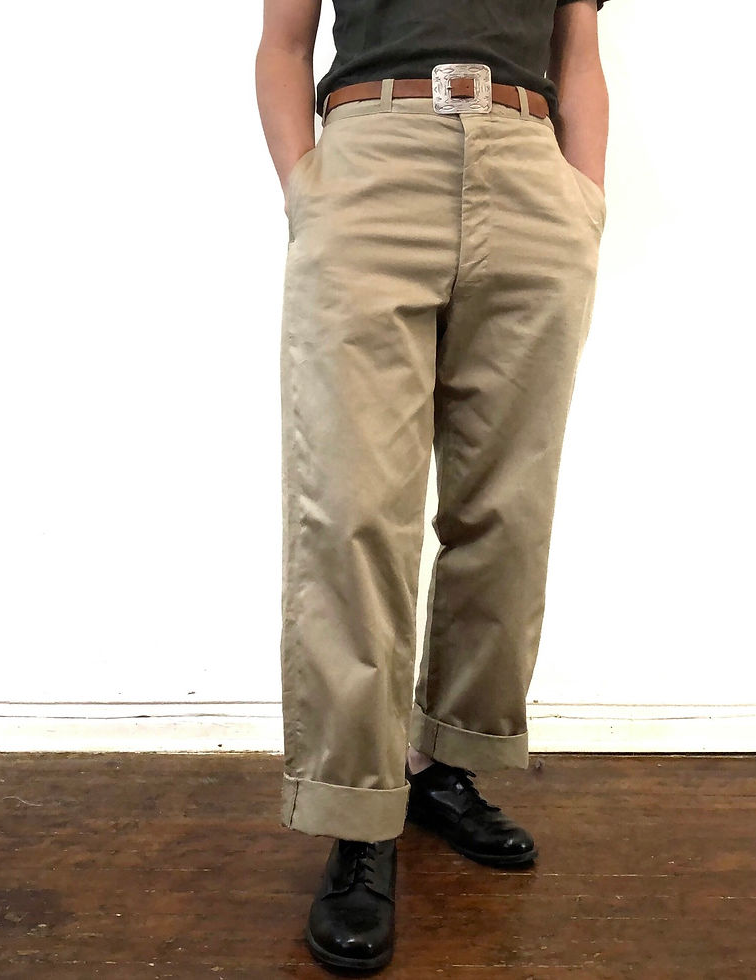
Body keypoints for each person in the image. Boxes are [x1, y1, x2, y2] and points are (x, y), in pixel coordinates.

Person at [255, 0, 610, 970]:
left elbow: (577, 51)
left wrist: (584, 200)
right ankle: (356, 812)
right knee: (352, 511)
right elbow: (282, 44)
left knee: (506, 508)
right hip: (371, 164)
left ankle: (442, 764)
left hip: (530, 173)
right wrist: (308, 192)